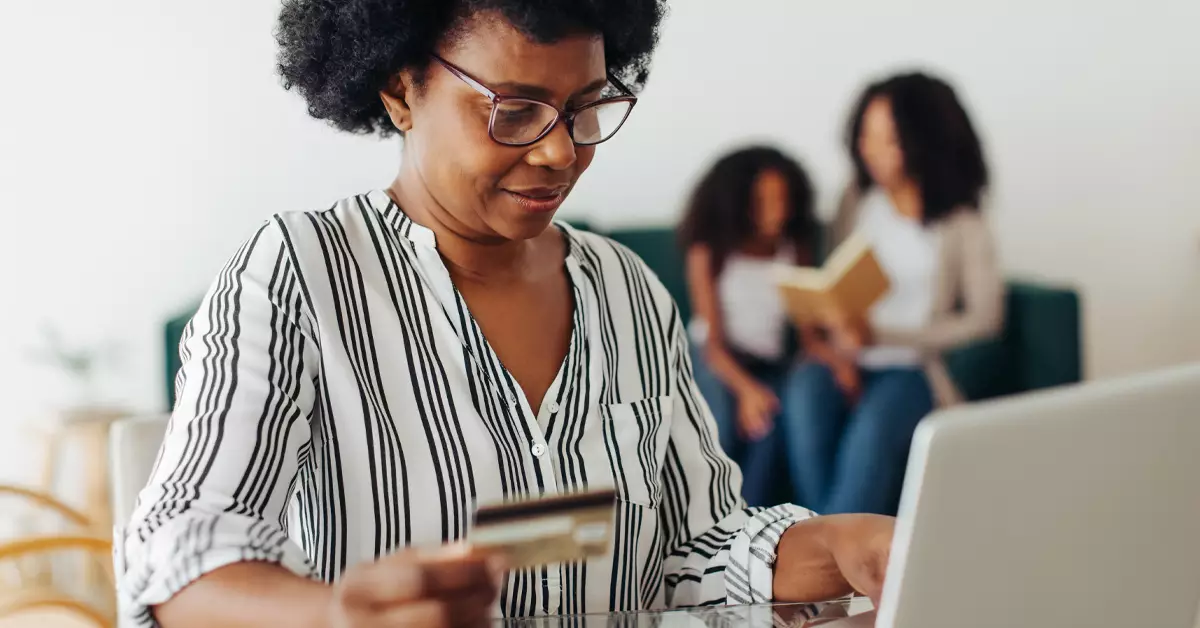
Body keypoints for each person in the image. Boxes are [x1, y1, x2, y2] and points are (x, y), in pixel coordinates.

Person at [118, 2, 898, 627]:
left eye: (585, 106)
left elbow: (695, 548)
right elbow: (180, 557)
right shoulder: (300, 274)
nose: (561, 152)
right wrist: (333, 615)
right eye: (516, 110)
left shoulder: (628, 292)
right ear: (400, 91)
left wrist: (841, 544)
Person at [780, 71, 1004, 517]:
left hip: (911, 369)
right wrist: (836, 343)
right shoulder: (856, 199)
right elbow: (838, 282)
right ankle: (820, 549)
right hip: (844, 359)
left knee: (874, 432)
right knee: (803, 393)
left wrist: (882, 337)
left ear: (924, 141)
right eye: (866, 135)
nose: (872, 151)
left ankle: (823, 567)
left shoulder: (962, 222)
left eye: (890, 140)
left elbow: (985, 319)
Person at [679, 146, 817, 507]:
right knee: (722, 418)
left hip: (767, 364)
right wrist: (746, 390)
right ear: (740, 202)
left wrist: (836, 358)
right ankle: (700, 516)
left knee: (770, 425)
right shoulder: (709, 251)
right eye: (764, 201)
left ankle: (748, 525)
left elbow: (808, 336)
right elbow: (713, 346)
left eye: (782, 199)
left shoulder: (795, 248)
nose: (778, 211)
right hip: (714, 358)